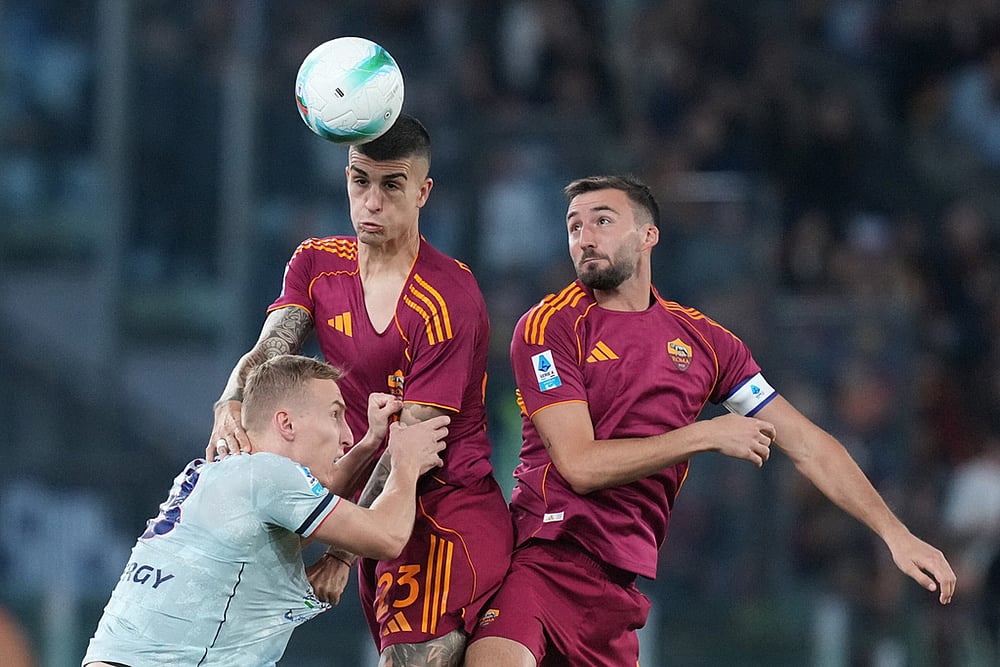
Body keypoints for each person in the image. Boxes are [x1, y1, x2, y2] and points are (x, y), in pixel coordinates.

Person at [464, 175, 957, 666]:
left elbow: (809, 445)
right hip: (541, 559)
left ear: (648, 234)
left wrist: (896, 534)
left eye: (602, 221)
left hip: (617, 595)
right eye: (574, 227)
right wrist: (704, 434)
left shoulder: (705, 343)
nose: (585, 237)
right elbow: (579, 465)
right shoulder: (550, 325)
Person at [208, 115, 512, 666]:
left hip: (443, 515)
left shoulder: (448, 298)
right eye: (359, 181)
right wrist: (230, 400)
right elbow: (270, 351)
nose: (370, 202)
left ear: (423, 193)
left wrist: (343, 556)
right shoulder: (316, 263)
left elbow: (411, 449)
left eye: (391, 185)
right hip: (372, 516)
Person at [82, 354, 449, 667]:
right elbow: (386, 537)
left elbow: (310, 507)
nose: (346, 435)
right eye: (335, 415)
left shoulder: (214, 473)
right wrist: (406, 461)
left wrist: (371, 444)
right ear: (286, 423)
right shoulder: (271, 476)